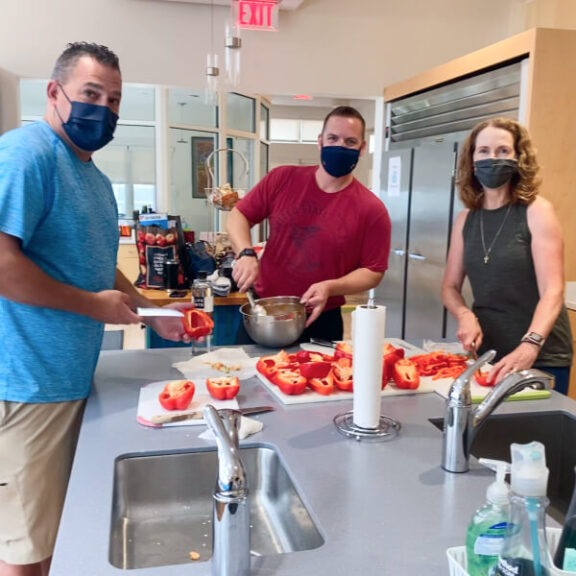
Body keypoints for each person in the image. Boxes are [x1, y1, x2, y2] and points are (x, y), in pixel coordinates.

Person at [0, 42, 191, 576]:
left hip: (70, 379)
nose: (102, 110)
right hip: (28, 384)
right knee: (24, 547)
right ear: (54, 93)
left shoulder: (93, 179)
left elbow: (96, 266)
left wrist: (151, 307)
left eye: (113, 100)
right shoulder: (27, 154)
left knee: (53, 533)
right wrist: (91, 306)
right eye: (90, 94)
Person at [227, 105, 391, 343]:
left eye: (350, 142)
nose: (340, 147)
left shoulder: (371, 210)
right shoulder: (282, 179)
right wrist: (245, 252)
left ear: (362, 148)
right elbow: (238, 215)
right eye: (333, 138)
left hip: (322, 319)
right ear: (320, 141)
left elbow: (373, 271)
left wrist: (331, 287)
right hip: (264, 312)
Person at [442, 117, 572, 391]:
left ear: (518, 158)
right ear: (472, 159)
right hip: (489, 352)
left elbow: (553, 290)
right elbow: (450, 287)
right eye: (484, 151)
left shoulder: (537, 211)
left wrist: (530, 344)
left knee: (534, 433)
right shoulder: (466, 219)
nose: (492, 158)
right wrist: (464, 314)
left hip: (540, 354)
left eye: (502, 151)